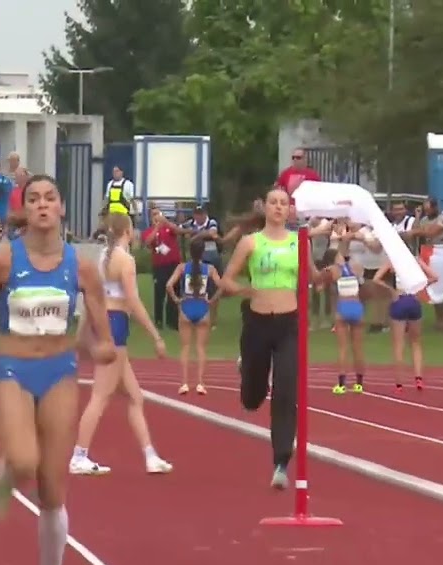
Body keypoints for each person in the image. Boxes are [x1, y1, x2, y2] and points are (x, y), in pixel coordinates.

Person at [0, 174, 117, 565]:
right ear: (23, 210)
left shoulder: (82, 267)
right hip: (13, 371)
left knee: (52, 490)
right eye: (34, 199)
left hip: (60, 374)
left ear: (62, 207)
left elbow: (100, 335)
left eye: (50, 197)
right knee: (25, 462)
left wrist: (98, 347)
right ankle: (6, 470)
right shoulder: (3, 261)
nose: (43, 205)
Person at [71, 214, 171, 475]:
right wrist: (155, 336)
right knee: (100, 395)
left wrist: (83, 332)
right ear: (128, 230)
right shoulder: (125, 261)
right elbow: (133, 301)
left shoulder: (102, 257)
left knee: (135, 397)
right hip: (115, 325)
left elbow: (91, 297)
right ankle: (79, 455)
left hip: (105, 322)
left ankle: (150, 455)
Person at [218, 187, 302, 490]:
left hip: (288, 325)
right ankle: (249, 374)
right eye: (274, 203)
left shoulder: (298, 243)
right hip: (257, 323)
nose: (279, 208)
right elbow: (227, 280)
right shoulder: (250, 242)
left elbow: (313, 277)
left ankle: (281, 461)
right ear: (265, 208)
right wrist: (243, 289)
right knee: (252, 398)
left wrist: (329, 275)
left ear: (289, 210)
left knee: (286, 389)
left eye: (284, 203)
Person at [371, 257, 439, 393]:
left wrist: (391, 290)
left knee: (398, 345)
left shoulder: (394, 260)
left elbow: (376, 278)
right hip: (414, 301)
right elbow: (435, 277)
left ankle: (399, 384)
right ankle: (418, 378)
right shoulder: (415, 260)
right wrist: (421, 288)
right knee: (416, 343)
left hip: (399, 300)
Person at [166, 238, 222, 394]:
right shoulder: (209, 269)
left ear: (190, 252)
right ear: (203, 252)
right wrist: (211, 300)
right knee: (201, 348)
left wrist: (177, 300)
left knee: (185, 348)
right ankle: (200, 383)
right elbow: (222, 286)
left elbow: (169, 285)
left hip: (186, 306)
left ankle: (184, 383)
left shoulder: (182, 268)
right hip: (202, 307)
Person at [320, 246, 366, 394]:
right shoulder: (356, 266)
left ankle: (341, 384)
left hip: (343, 307)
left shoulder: (332, 270)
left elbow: (319, 287)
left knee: (342, 348)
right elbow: (362, 282)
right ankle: (359, 384)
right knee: (358, 348)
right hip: (357, 307)